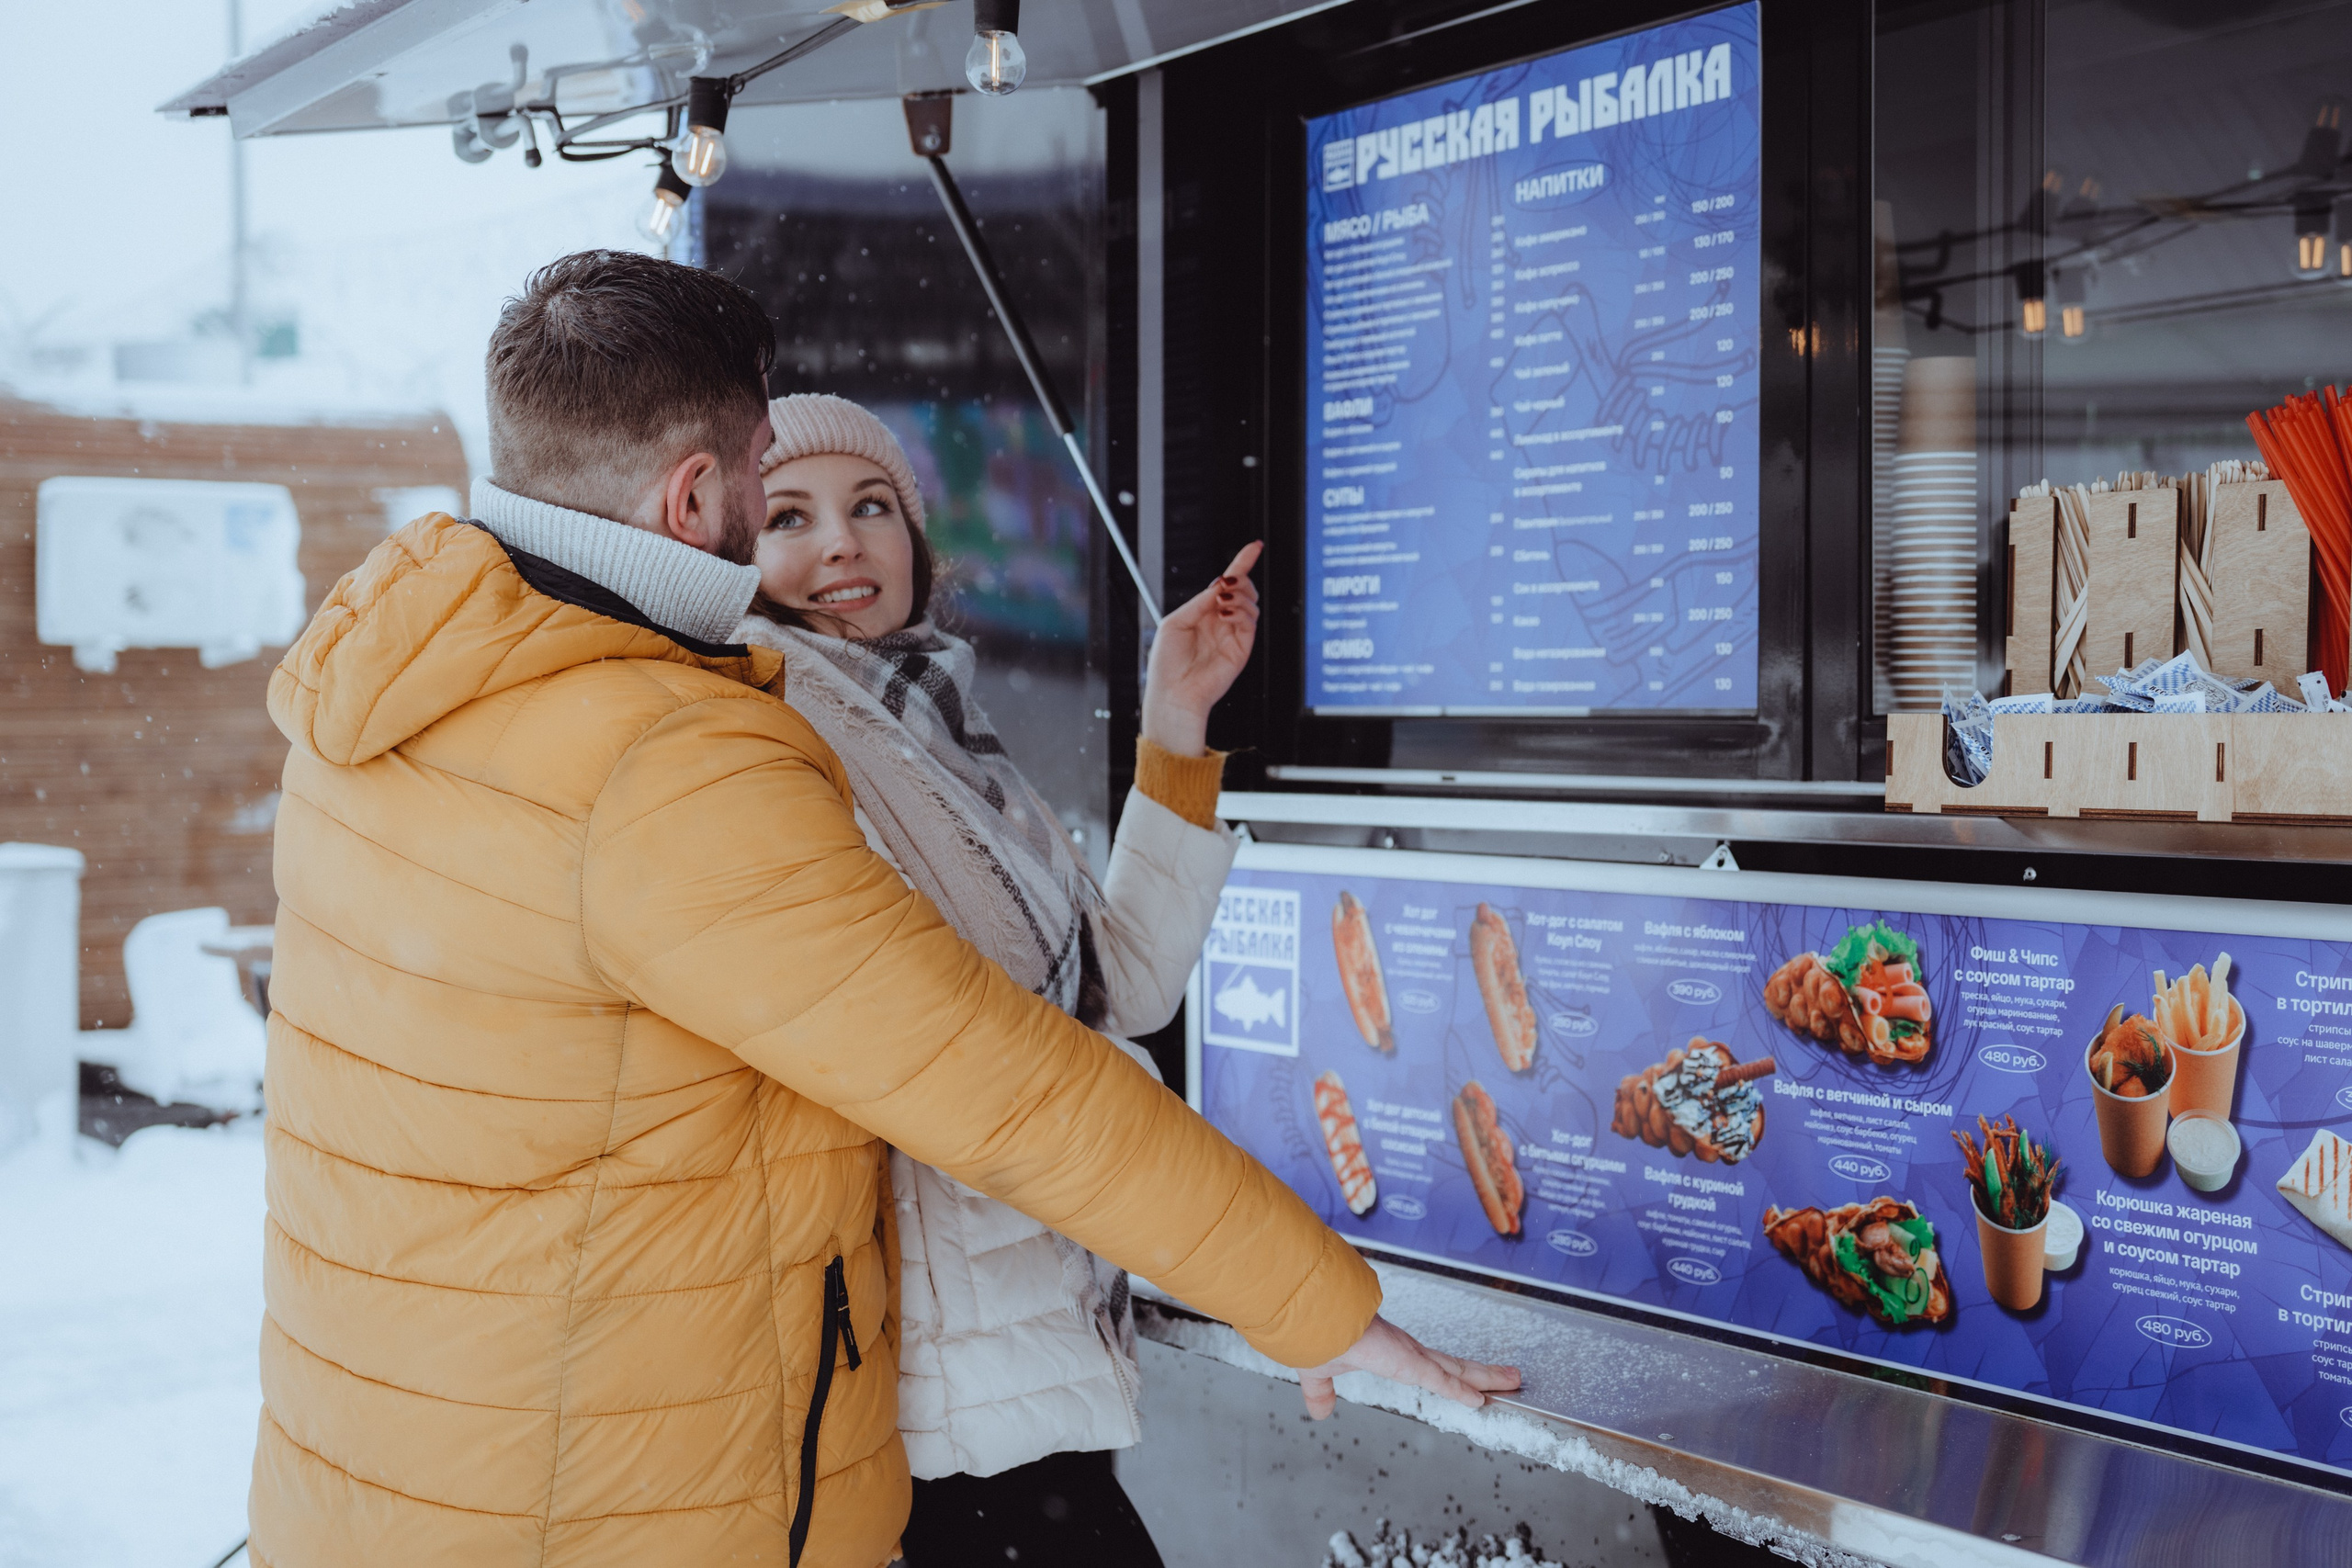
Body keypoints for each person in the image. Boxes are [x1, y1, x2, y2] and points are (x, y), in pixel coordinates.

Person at [251, 251, 1516, 1568]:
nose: (804, 527)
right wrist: (1317, 1303)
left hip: (415, 1464)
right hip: (607, 1494)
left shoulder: (405, 690)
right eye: (762, 481)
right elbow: (1000, 1082)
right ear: (693, 499)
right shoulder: (669, 751)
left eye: (866, 504)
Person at [735, 393, 1262, 1564]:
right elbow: (947, 1058)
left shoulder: (938, 725)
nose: (842, 542)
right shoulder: (774, 732)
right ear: (733, 550)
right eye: (787, 516)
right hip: (934, 1379)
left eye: (871, 504)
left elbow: (1118, 989)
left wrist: (1178, 723)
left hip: (1036, 1333)